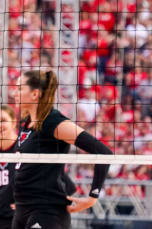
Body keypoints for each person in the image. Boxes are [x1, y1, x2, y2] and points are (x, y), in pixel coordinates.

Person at [10, 70, 112, 229]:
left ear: (35, 94)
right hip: (22, 209)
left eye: (19, 88)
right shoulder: (26, 121)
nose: (14, 92)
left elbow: (104, 152)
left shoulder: (54, 122)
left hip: (46, 211)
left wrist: (92, 197)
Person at [0, 106, 78, 229]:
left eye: (3, 120)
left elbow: (66, 184)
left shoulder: (26, 148)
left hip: (21, 215)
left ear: (13, 122)